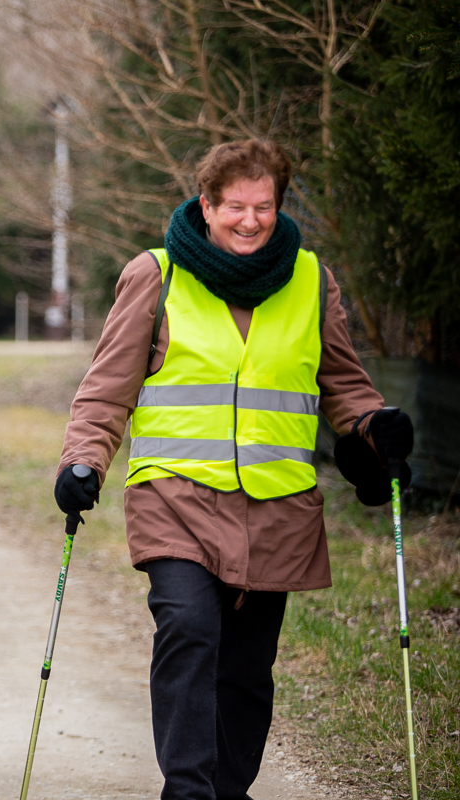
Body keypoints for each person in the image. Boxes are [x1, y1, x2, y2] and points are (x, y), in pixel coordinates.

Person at [52, 139, 414, 800]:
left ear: (279, 206)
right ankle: (187, 790)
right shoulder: (156, 275)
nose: (250, 220)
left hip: (276, 510)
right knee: (189, 629)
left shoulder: (311, 281)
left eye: (264, 207)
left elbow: (344, 385)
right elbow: (106, 390)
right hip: (174, 500)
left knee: (247, 669)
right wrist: (84, 461)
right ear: (207, 205)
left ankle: (227, 790)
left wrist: (373, 427)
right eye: (235, 207)